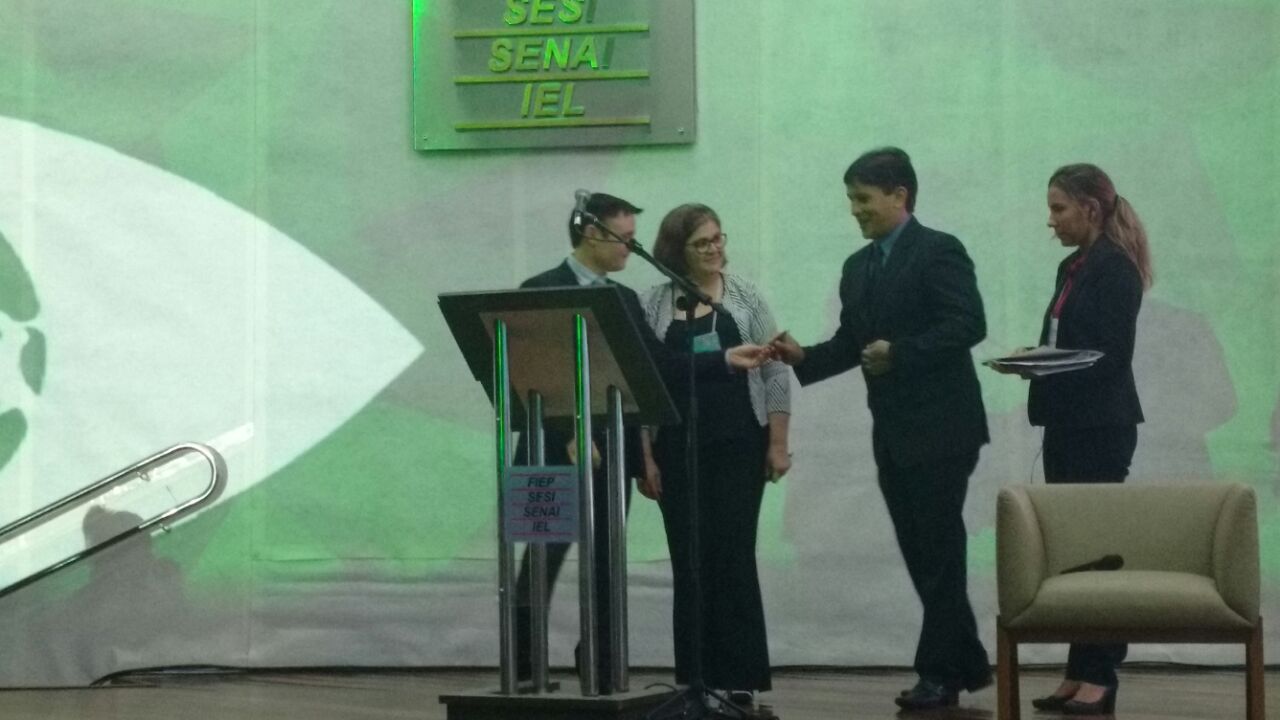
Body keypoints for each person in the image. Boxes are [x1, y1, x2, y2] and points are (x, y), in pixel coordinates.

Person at [512, 192, 769, 691]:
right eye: (625, 238)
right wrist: (570, 432)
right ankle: (523, 668)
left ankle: (601, 667)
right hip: (552, 451)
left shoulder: (623, 298)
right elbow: (533, 372)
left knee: (605, 564)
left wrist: (723, 359)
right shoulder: (539, 289)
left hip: (611, 451)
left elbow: (656, 366)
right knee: (541, 560)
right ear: (593, 234)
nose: (632, 248)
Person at [770, 147, 992, 711]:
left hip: (943, 428)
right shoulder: (859, 266)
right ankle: (964, 663)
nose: (855, 210)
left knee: (937, 552)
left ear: (900, 195)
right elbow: (853, 343)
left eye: (863, 198)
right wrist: (802, 357)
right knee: (923, 552)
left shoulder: (939, 250)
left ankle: (939, 673)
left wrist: (902, 352)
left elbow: (968, 324)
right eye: (851, 199)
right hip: (893, 433)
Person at [638, 204, 791, 710]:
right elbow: (644, 382)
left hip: (739, 446)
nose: (714, 249)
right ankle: (695, 680)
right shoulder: (654, 303)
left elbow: (775, 370)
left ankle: (741, 677)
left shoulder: (745, 295)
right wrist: (645, 457)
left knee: (733, 557)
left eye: (718, 239)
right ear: (676, 251)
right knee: (689, 562)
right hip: (676, 450)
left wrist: (777, 442)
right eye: (702, 243)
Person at [1019, 164, 1151, 715]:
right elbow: (1065, 339)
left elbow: (1109, 357)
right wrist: (1035, 360)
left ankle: (1101, 675)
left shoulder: (1115, 269)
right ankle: (1077, 672)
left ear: (1090, 210)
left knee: (1100, 555)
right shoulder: (1071, 266)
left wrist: (1047, 367)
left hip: (1100, 427)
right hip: (1066, 423)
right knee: (1073, 552)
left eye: (1059, 208)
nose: (1050, 220)